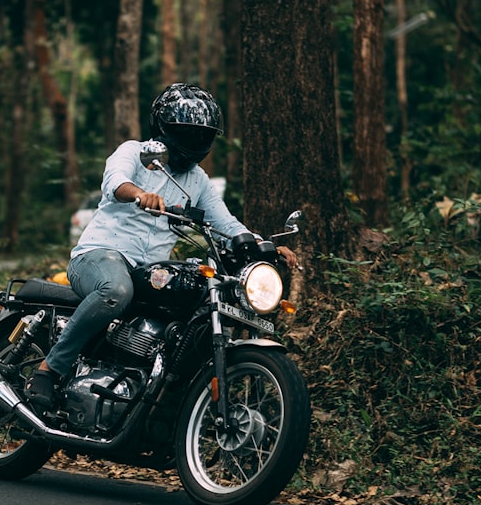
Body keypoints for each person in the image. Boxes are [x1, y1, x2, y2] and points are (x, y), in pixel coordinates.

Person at [26, 83, 296, 410]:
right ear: (165, 128)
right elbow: (116, 184)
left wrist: (262, 244)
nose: (195, 142)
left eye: (203, 135)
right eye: (187, 132)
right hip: (98, 256)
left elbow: (226, 223)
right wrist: (139, 194)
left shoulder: (198, 180)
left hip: (147, 270)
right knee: (116, 290)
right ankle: (49, 370)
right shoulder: (135, 153)